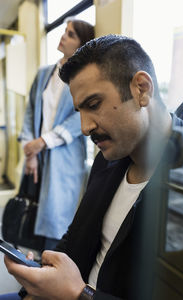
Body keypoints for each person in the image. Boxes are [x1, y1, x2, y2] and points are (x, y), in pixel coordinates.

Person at [2, 34, 183, 299]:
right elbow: (78, 234)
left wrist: (79, 294)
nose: (84, 127)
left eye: (94, 105)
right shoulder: (107, 160)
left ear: (141, 89)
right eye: (80, 111)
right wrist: (37, 281)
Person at [19, 19, 95, 250]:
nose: (63, 36)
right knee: (31, 214)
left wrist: (43, 142)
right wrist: (31, 152)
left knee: (57, 220)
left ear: (82, 44)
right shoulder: (44, 74)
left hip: (64, 159)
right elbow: (31, 110)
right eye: (64, 31)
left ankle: (51, 273)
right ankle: (32, 268)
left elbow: (78, 117)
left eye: (71, 34)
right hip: (38, 157)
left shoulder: (83, 78)